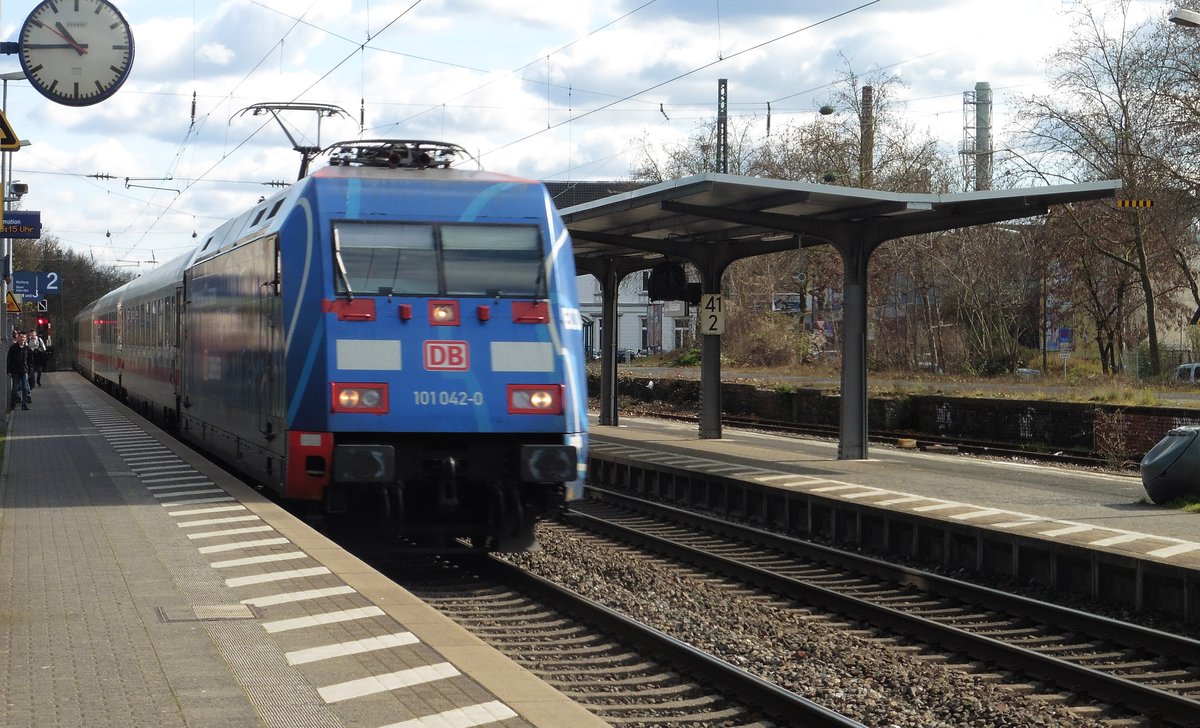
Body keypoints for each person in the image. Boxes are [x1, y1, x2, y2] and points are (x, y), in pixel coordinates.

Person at [7, 332, 30, 410]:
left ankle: (24, 404)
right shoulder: (13, 348)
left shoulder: (27, 348)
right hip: (15, 371)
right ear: (18, 338)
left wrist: (30, 370)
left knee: (25, 388)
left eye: (24, 337)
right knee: (15, 388)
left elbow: (30, 360)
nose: (22, 339)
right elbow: (9, 359)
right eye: (21, 337)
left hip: (24, 371)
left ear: (25, 338)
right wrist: (9, 370)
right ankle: (13, 403)